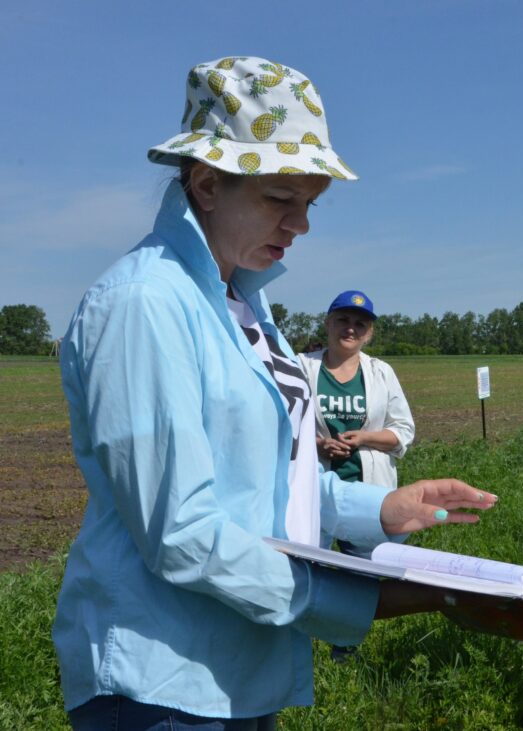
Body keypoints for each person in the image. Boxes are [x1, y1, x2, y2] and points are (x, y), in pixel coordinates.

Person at [55, 56, 497, 729]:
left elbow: (265, 485)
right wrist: (353, 601)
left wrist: (380, 508)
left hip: (237, 672)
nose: (302, 226)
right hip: (161, 686)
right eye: (281, 200)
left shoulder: (245, 309)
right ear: (205, 183)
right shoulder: (146, 304)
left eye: (310, 203)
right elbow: (182, 531)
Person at [297, 290, 414, 661]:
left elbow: (403, 431)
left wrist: (364, 437)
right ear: (328, 323)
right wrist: (316, 444)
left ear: (369, 334)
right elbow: (279, 422)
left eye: (359, 324)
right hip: (312, 486)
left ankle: (343, 648)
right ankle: (299, 644)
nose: (350, 328)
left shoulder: (381, 373)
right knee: (305, 565)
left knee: (361, 572)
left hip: (366, 488)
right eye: (343, 320)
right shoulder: (302, 366)